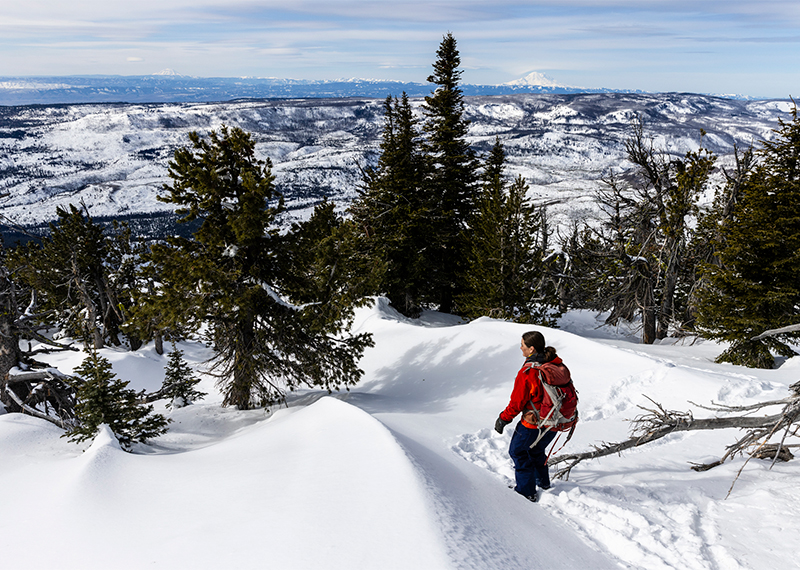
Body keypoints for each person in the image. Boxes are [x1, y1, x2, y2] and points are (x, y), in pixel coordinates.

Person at [494, 330, 562, 503]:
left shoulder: (528, 372)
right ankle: (543, 483)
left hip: (534, 422)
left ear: (531, 348)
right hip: (555, 420)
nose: (520, 347)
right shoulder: (553, 363)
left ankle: (526, 492)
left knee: (518, 452)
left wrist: (504, 419)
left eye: (522, 345)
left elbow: (517, 402)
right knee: (537, 450)